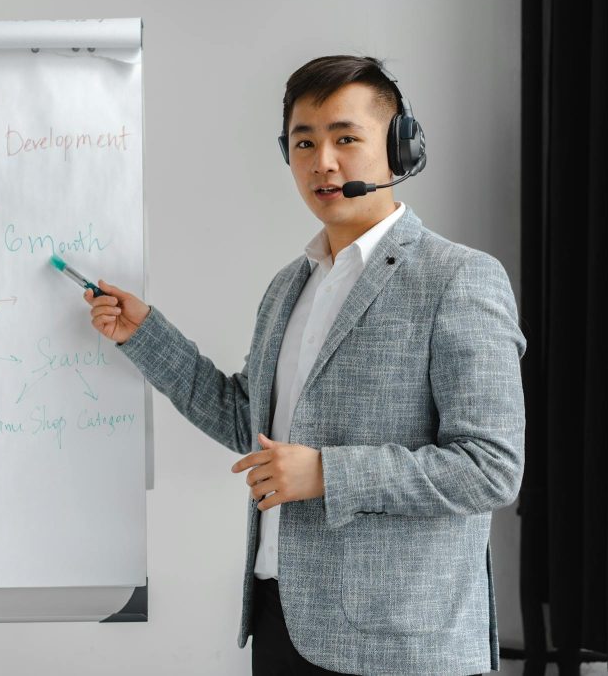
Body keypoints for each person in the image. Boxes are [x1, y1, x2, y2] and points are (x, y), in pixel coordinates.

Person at [83, 55, 525, 676]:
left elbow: (491, 468)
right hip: (282, 617)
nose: (323, 161)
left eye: (346, 138)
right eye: (304, 142)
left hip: (401, 646)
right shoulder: (289, 287)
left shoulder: (458, 279)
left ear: (400, 148)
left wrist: (327, 473)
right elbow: (249, 422)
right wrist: (144, 335)